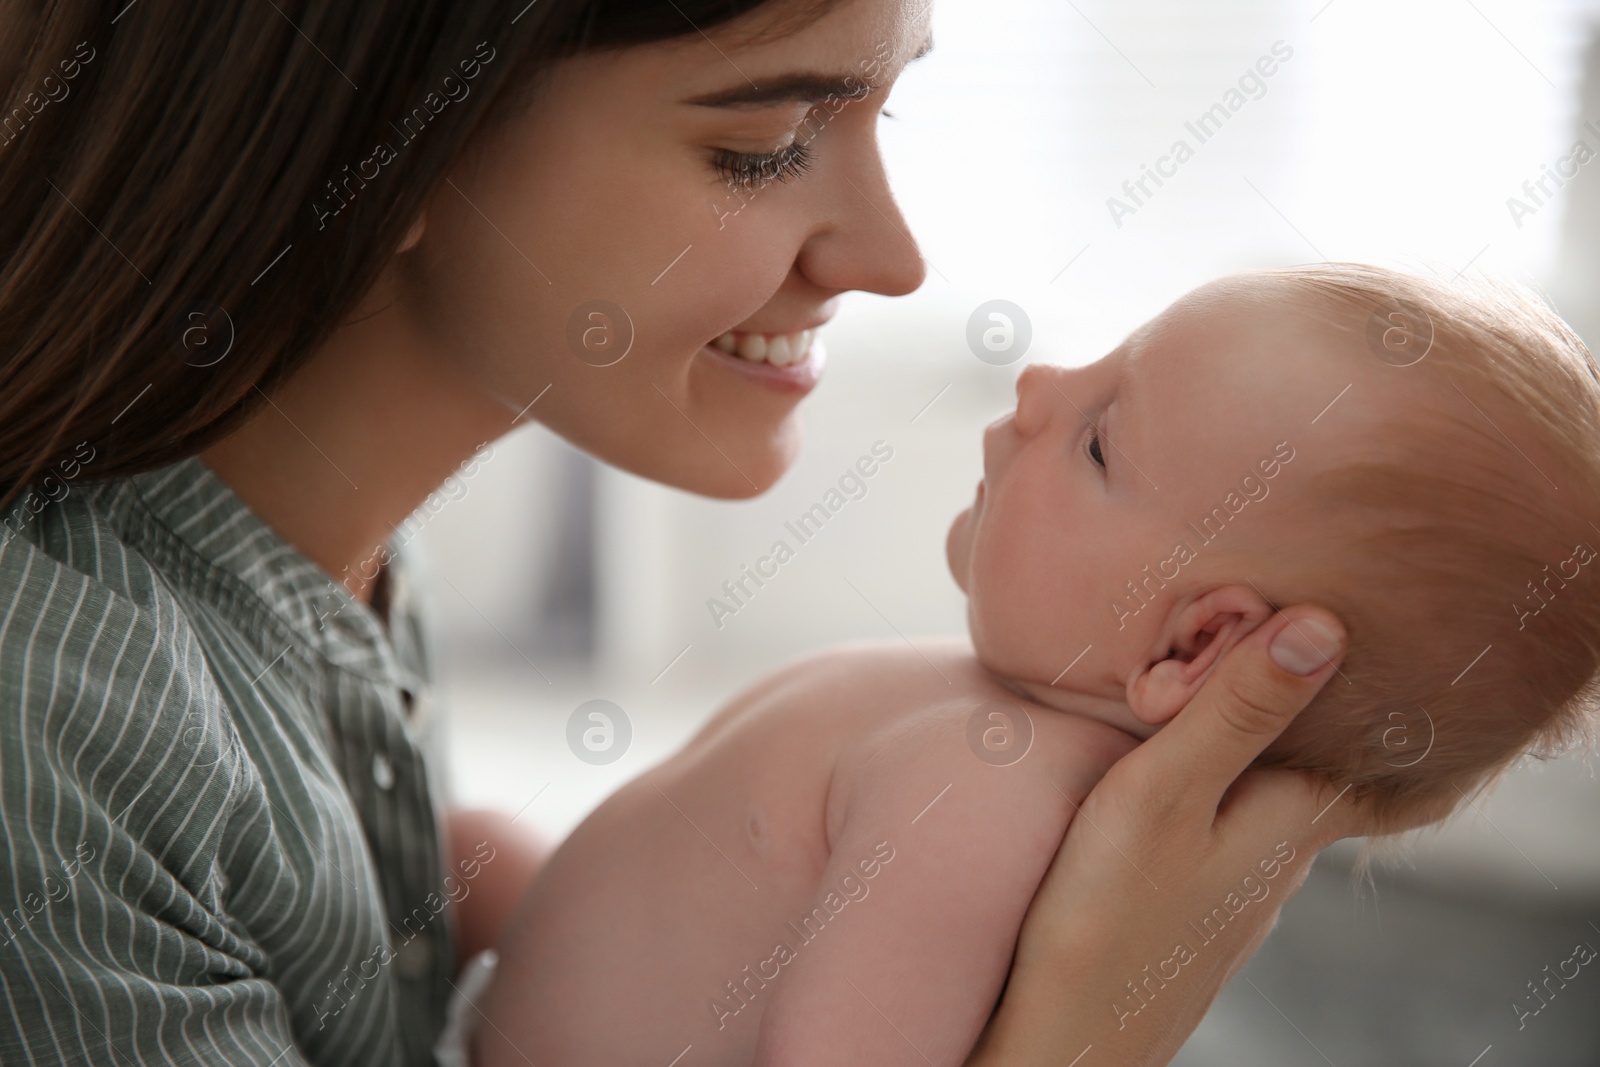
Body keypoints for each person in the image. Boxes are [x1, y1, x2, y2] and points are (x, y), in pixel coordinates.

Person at [0, 1, 1385, 1064]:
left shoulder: (322, 569)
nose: (891, 258)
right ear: (384, 137)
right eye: (764, 146)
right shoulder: (58, 712)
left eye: (879, 121)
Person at [471, 265, 1600, 1065]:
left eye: (1101, 437)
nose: (1037, 384)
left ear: (1196, 644)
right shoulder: (978, 718)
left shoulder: (990, 797)